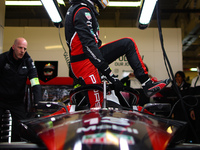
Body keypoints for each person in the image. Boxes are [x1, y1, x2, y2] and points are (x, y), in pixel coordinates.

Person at [64, 0, 170, 108]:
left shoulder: (81, 9)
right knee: (96, 109)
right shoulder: (82, 10)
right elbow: (88, 46)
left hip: (89, 59)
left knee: (128, 43)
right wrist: (110, 75)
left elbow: (90, 46)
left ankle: (147, 83)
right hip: (84, 64)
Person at [0, 37, 42, 141]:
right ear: (13, 47)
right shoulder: (2, 59)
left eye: (25, 49)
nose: (22, 51)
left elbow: (35, 82)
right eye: (20, 48)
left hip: (17, 101)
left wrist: (38, 102)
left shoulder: (28, 61)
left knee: (21, 128)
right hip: (1, 99)